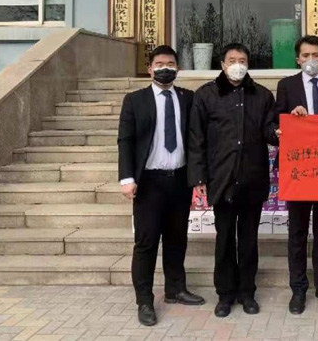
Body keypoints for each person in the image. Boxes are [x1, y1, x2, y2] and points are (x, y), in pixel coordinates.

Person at [188, 43, 279, 318]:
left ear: (248, 64)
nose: (237, 64)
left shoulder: (262, 95)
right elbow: (196, 139)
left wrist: (281, 132)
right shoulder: (206, 95)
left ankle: (247, 292)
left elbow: (270, 131)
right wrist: (199, 177)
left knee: (249, 240)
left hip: (252, 178)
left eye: (242, 60)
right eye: (232, 60)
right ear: (223, 64)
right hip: (222, 179)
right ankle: (225, 294)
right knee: (225, 238)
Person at [117, 45, 205, 327]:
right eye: (159, 63)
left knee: (177, 238)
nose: (165, 68)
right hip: (149, 182)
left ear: (178, 68)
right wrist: (127, 178)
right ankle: (144, 300)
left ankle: (175, 289)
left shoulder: (188, 98)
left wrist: (198, 177)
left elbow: (197, 139)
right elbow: (125, 141)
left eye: (170, 63)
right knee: (146, 243)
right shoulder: (135, 100)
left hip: (179, 179)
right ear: (150, 68)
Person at [275, 35, 318, 314]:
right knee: (298, 230)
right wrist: (291, 116)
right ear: (297, 59)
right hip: (299, 168)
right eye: (305, 55)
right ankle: (298, 288)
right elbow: (276, 122)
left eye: (316, 55)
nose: (311, 60)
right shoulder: (287, 85)